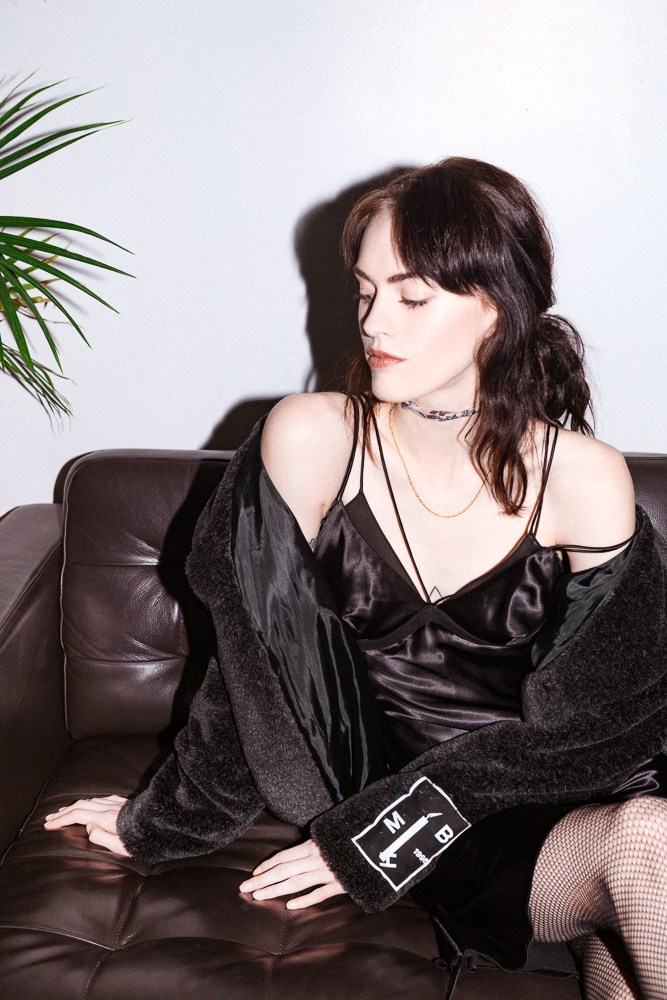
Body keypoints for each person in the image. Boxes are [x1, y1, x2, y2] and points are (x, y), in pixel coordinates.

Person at [45, 159, 667, 999]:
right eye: (365, 291)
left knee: (643, 864)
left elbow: (605, 725)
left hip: (559, 789)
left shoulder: (581, 477)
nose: (374, 321)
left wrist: (378, 840)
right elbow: (249, 669)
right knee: (646, 849)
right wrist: (163, 822)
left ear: (498, 307)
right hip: (462, 835)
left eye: (412, 298)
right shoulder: (311, 440)